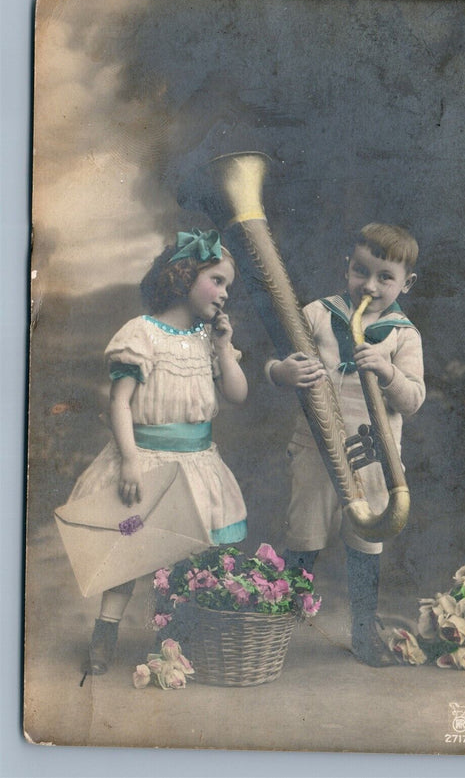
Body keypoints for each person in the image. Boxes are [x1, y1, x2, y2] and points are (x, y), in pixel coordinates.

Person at [67, 228, 248, 675]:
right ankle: (106, 630)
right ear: (184, 275)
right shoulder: (141, 334)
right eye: (217, 280)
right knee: (129, 548)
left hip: (196, 462)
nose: (224, 293)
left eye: (229, 286)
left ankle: (173, 634)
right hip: (146, 458)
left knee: (187, 554)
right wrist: (129, 459)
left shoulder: (209, 339)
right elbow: (120, 402)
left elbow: (238, 394)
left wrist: (224, 350)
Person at [265, 223, 425, 667]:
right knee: (304, 535)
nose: (369, 286)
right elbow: (276, 361)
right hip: (316, 451)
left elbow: (412, 400)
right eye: (360, 271)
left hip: (374, 460)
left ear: (406, 284)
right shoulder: (318, 312)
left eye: (384, 278)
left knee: (365, 545)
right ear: (347, 266)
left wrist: (389, 373)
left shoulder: (403, 335)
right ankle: (278, 630)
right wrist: (283, 374)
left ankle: (362, 632)